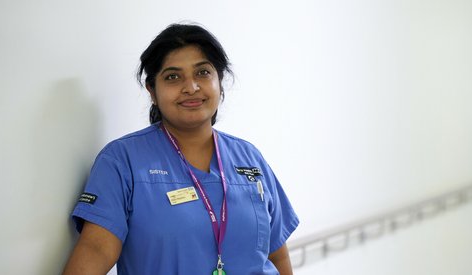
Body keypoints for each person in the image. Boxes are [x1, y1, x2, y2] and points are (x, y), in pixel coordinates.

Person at [63, 23, 299, 275]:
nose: (191, 87)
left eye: (203, 73)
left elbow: (277, 255)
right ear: (152, 91)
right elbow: (97, 249)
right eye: (173, 77)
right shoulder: (122, 161)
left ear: (220, 81)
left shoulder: (250, 158)